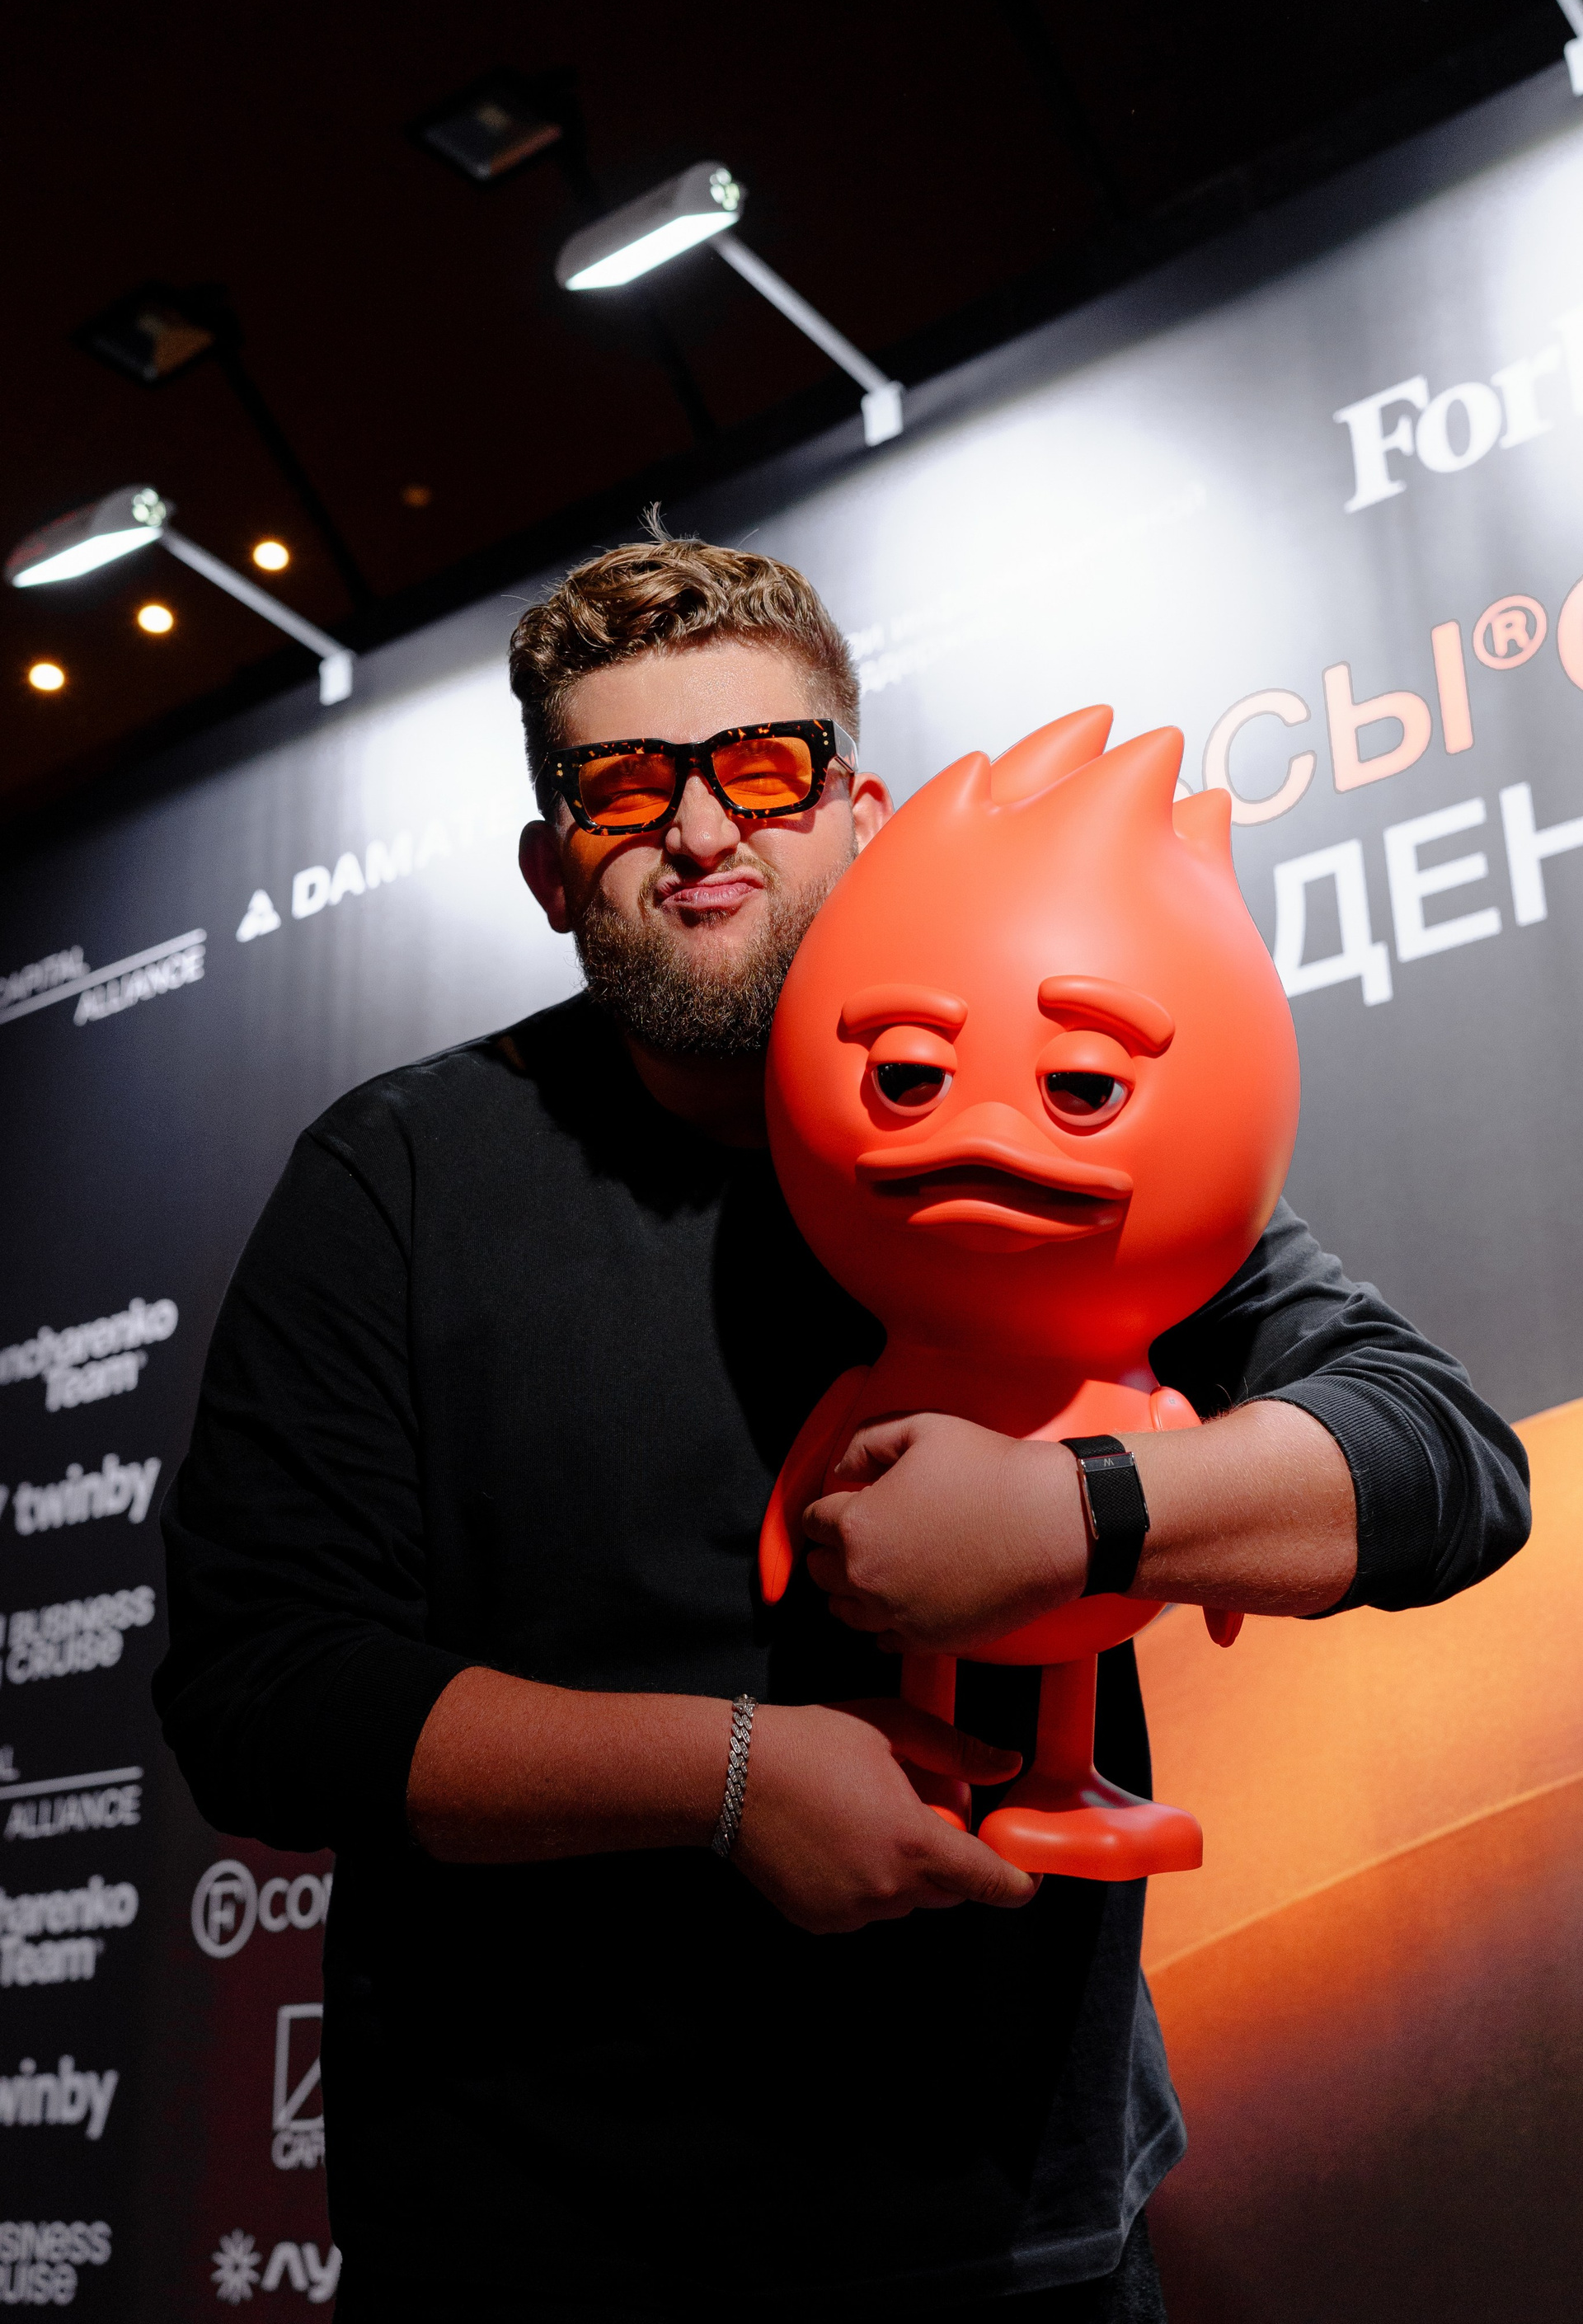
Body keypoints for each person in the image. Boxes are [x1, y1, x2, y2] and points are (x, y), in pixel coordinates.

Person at [155, 536, 1529, 2323]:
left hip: (1020, 2237)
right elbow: (264, 1696)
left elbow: (1445, 1461)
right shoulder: (397, 1175)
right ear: (551, 871)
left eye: (764, 766)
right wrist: (732, 1780)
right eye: (623, 788)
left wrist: (1073, 1513)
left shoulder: (1034, 1114)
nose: (700, 831)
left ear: (862, 815)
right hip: (532, 2246)